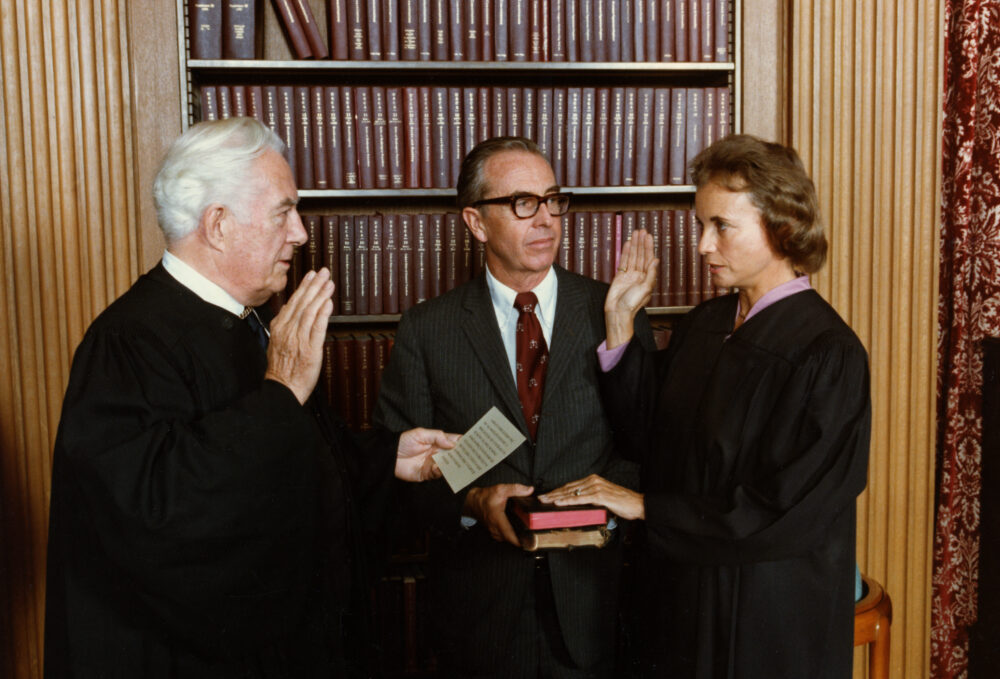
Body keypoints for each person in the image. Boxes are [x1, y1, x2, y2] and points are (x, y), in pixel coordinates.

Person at [43, 117, 458, 678]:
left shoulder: (247, 324)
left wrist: (386, 460)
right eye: (284, 211)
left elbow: (285, 467)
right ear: (218, 225)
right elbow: (160, 514)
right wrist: (281, 389)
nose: (302, 234)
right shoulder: (129, 342)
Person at [539, 134, 871, 678]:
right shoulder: (706, 326)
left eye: (722, 227)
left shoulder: (827, 353)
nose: (701, 247)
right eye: (701, 225)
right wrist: (621, 324)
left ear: (781, 226)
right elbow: (649, 439)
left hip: (767, 614)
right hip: (686, 595)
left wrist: (650, 508)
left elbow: (788, 510)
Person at [373, 136, 654, 679]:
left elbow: (644, 444)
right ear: (476, 223)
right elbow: (396, 477)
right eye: (523, 203)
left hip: (593, 604)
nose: (546, 218)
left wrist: (599, 521)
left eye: (553, 200)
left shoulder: (615, 310)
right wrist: (473, 502)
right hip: (480, 615)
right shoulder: (427, 330)